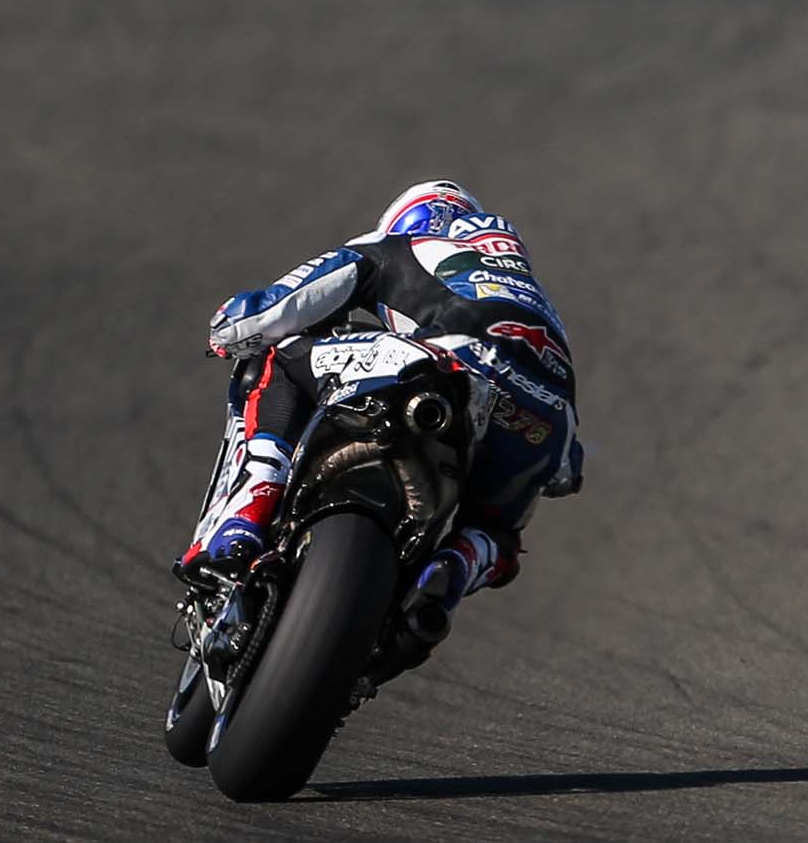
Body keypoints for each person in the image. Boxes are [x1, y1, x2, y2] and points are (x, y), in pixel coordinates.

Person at [182, 180, 584, 627]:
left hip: (442, 361)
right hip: (546, 419)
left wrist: (229, 329)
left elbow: (280, 308)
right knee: (496, 533)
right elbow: (565, 473)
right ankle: (451, 575)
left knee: (278, 355)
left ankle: (250, 509)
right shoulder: (538, 300)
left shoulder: (400, 247)